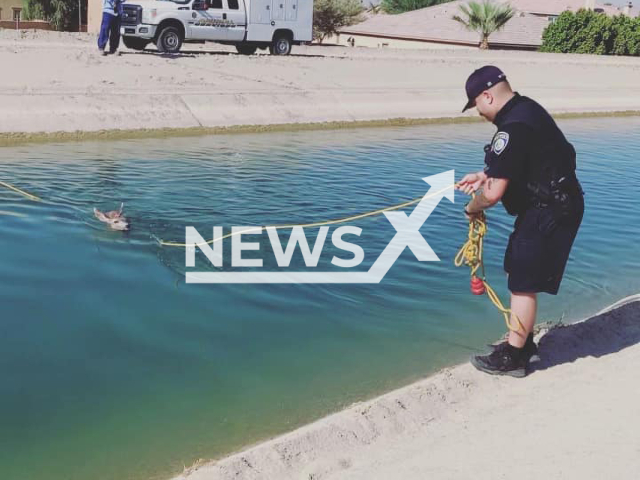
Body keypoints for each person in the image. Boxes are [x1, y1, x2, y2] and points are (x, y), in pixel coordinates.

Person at [456, 66, 584, 378]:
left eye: (477, 105)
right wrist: (484, 174)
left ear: (487, 96)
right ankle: (521, 343)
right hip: (553, 203)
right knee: (519, 268)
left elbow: (494, 195)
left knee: (522, 282)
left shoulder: (510, 128)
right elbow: (523, 160)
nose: (479, 113)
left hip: (551, 209)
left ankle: (515, 355)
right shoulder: (527, 110)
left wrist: (472, 209)